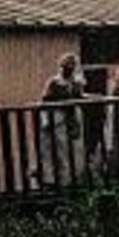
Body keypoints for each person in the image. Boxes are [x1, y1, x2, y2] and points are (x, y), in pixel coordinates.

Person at [37, 52, 85, 181]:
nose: (69, 68)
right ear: (62, 67)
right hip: (57, 117)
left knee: (75, 148)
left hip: (72, 117)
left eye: (72, 66)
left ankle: (73, 176)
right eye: (66, 66)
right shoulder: (54, 82)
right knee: (59, 148)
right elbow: (45, 100)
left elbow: (80, 96)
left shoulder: (76, 82)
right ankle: (58, 179)